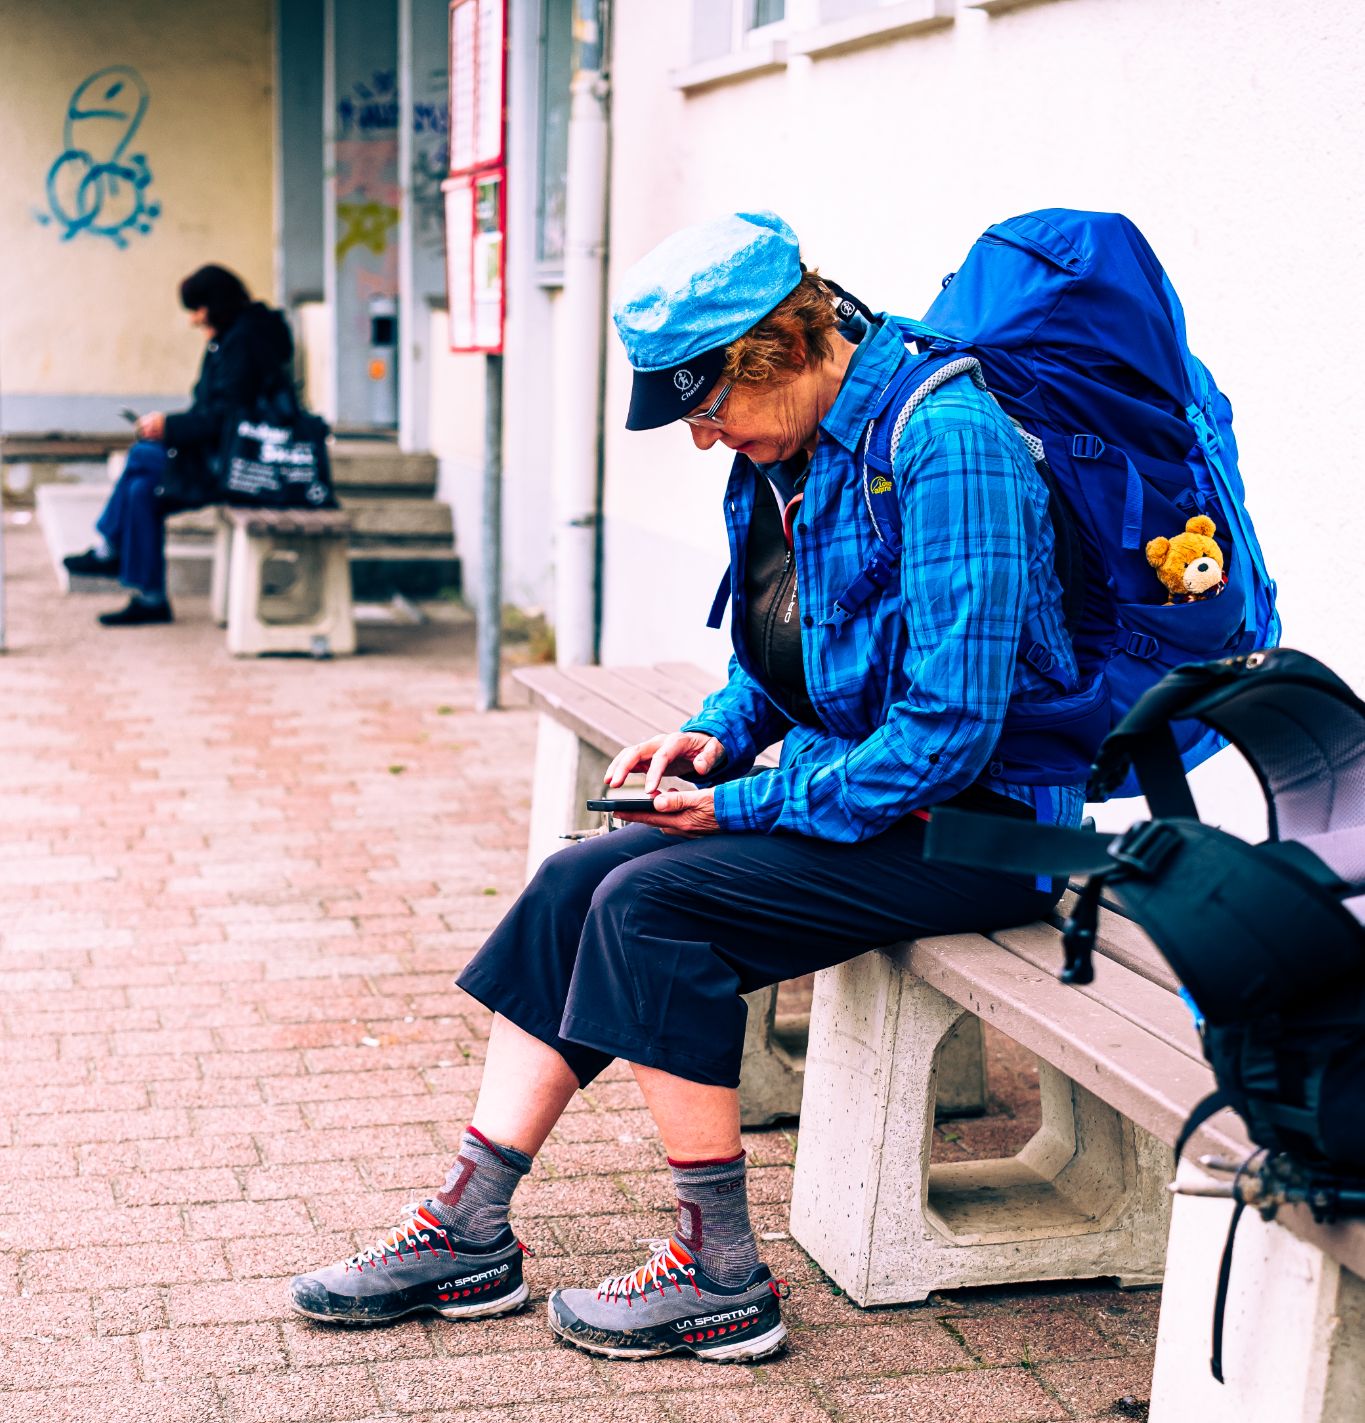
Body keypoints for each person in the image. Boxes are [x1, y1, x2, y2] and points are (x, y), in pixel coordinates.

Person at [289, 209, 1091, 1362]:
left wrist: (740, 805)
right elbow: (785, 651)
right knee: (577, 880)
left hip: (984, 829)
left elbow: (949, 737)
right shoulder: (797, 443)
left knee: (653, 906)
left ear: (781, 353)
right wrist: (710, 740)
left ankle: (720, 1276)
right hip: (871, 799)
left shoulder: (945, 441)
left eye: (712, 410)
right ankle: (467, 1228)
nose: (708, 441)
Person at [64, 265, 294, 627]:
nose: (193, 320)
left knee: (142, 455)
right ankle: (150, 597)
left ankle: (109, 547)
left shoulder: (243, 343)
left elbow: (228, 418)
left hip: (240, 466)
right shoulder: (230, 338)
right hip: (218, 456)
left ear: (214, 304)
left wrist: (169, 427)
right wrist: (170, 426)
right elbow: (210, 409)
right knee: (142, 490)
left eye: (197, 309)